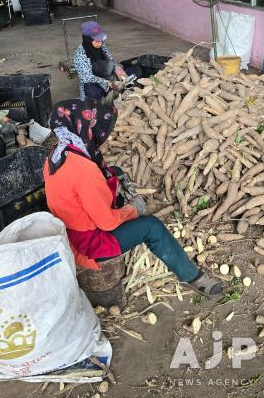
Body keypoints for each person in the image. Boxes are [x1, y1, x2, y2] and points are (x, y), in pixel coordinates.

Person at [43, 99, 224, 297]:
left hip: (68, 227)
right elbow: (107, 223)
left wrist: (114, 178)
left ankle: (124, 206)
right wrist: (133, 209)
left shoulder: (58, 153)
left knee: (114, 171)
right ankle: (193, 277)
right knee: (152, 227)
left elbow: (81, 186)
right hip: (88, 244)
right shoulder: (85, 171)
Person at [74, 21, 127, 101]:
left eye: (101, 40)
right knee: (94, 93)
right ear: (88, 39)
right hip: (93, 81)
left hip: (108, 76)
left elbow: (110, 59)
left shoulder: (102, 46)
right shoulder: (80, 53)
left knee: (135, 71)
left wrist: (117, 68)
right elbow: (87, 77)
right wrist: (107, 83)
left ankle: (113, 95)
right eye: (97, 41)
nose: (100, 43)